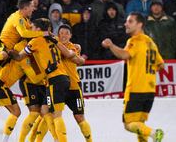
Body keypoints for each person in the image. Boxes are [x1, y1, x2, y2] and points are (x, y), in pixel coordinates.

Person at [102, 12, 165, 142]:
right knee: (139, 123)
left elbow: (125, 55)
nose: (126, 24)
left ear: (140, 24)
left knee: (128, 124)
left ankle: (154, 133)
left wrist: (111, 45)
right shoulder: (150, 42)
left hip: (136, 89)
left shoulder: (134, 40)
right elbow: (161, 65)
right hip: (149, 90)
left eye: (130, 21)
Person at [11, 18, 77, 142]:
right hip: (62, 79)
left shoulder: (36, 41)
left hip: (54, 79)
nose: (31, 30)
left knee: (56, 115)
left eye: (33, 28)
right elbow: (69, 53)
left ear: (38, 29)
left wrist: (9, 53)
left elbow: (19, 56)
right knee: (45, 111)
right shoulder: (55, 40)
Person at [57, 24, 92, 142]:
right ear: (58, 34)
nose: (64, 35)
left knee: (79, 116)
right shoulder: (53, 46)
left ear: (70, 35)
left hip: (74, 87)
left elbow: (69, 54)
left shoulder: (74, 47)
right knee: (52, 116)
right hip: (59, 88)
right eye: (61, 33)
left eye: (66, 33)